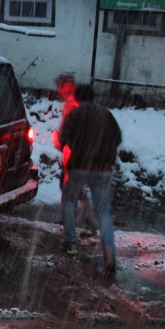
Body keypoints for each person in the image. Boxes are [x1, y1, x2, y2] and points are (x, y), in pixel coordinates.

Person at [58, 84, 122, 274]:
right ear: (93, 97)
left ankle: (70, 242)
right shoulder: (106, 114)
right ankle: (109, 253)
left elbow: (63, 140)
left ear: (77, 98)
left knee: (69, 199)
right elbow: (118, 138)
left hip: (80, 166)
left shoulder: (75, 115)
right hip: (103, 168)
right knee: (103, 211)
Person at [52, 72, 97, 238]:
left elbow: (73, 131)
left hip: (74, 154)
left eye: (61, 87)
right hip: (77, 154)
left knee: (68, 189)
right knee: (74, 188)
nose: (60, 91)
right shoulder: (75, 102)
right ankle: (86, 219)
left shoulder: (74, 104)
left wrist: (60, 140)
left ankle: (70, 229)